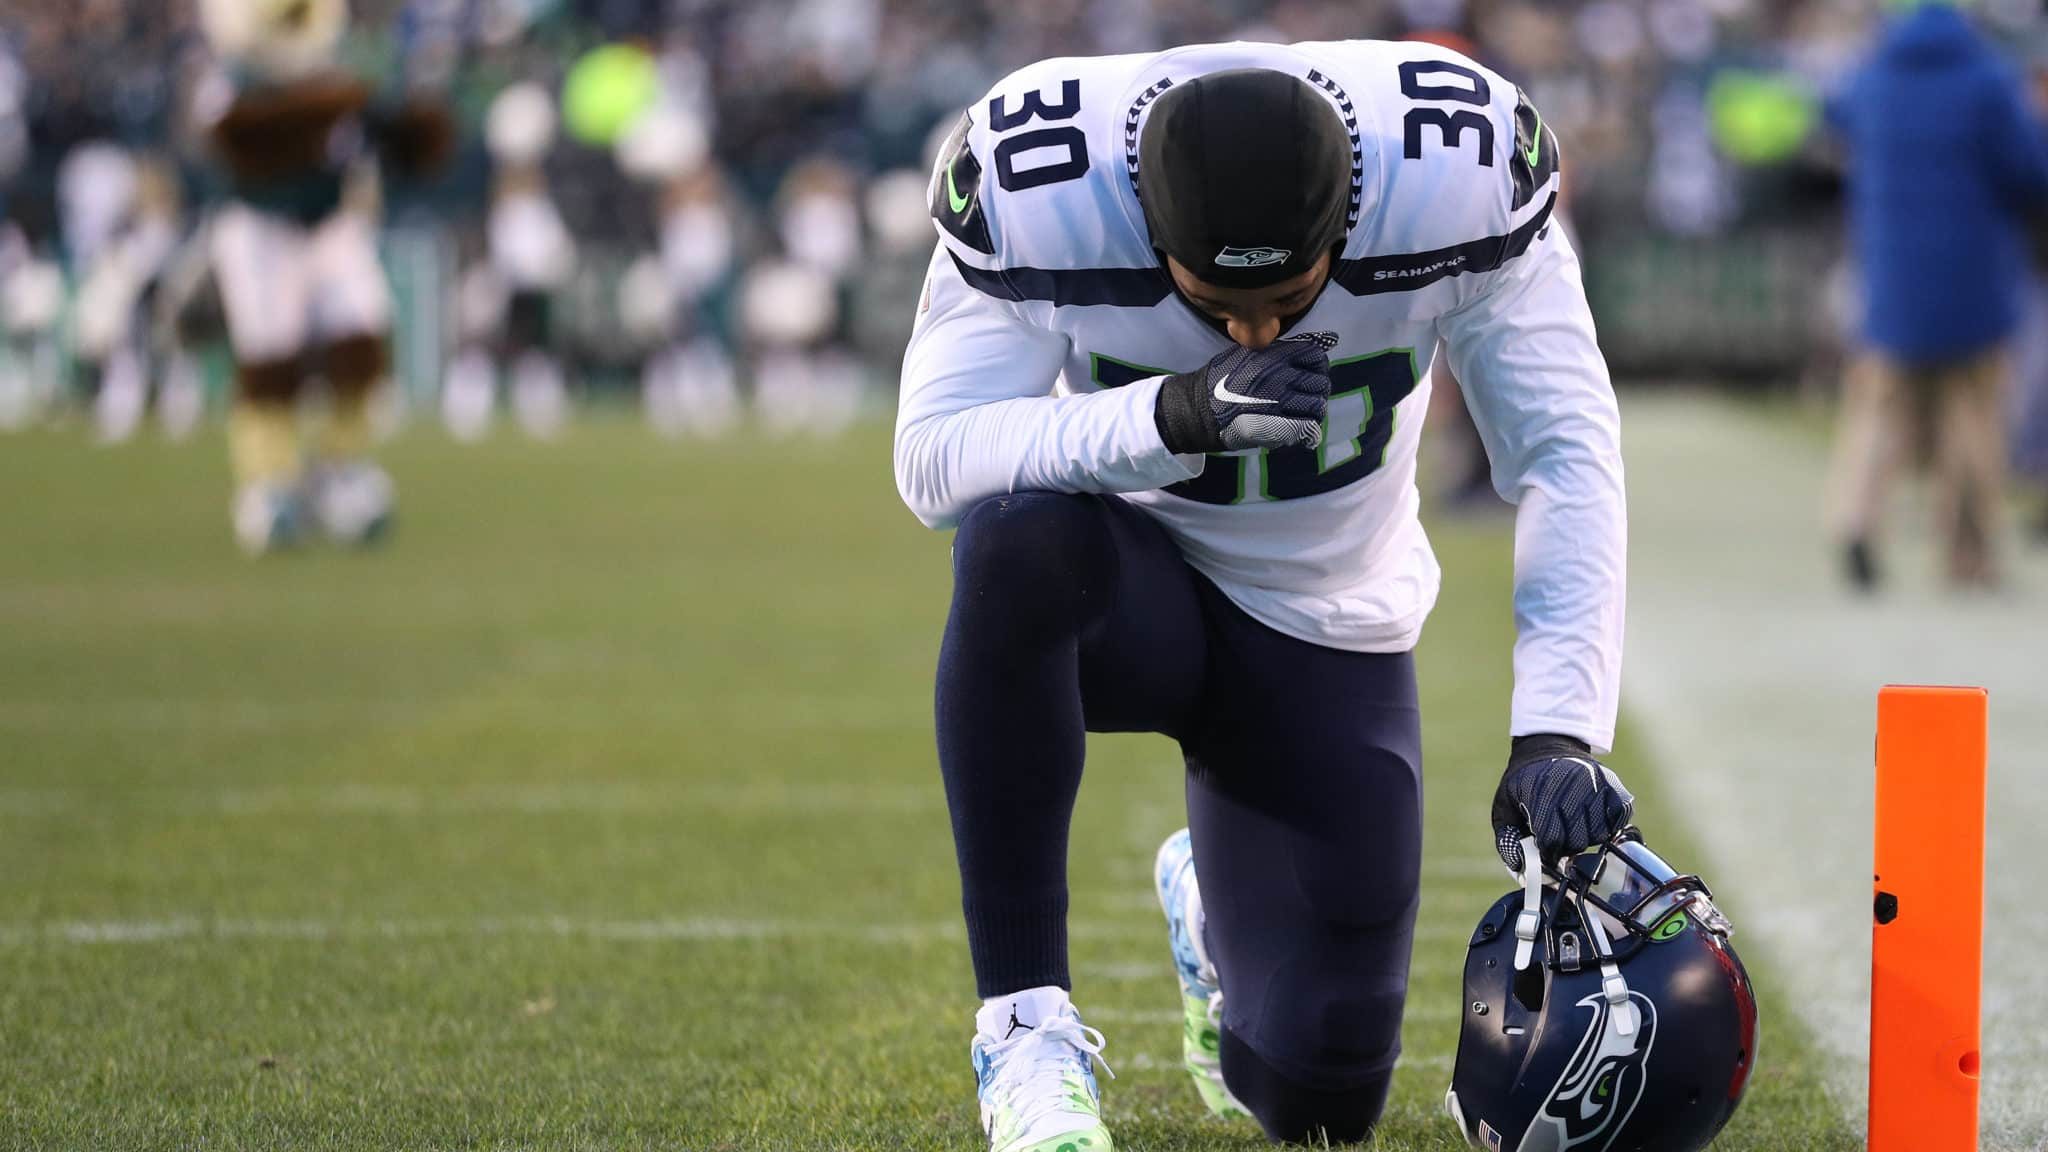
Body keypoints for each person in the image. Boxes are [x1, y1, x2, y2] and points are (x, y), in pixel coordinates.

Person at [894, 39, 1631, 1150]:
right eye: (1216, 304)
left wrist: (1557, 732)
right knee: (1012, 546)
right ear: (1146, 233)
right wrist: (1166, 417)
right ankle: (1025, 1026)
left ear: (1345, 232)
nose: (1253, 334)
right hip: (1123, 588)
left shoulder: (1454, 173)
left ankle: (1209, 908)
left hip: (1323, 616)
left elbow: (1562, 455)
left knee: (1318, 1099)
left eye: (1288, 300)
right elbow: (931, 461)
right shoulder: (1041, 179)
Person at [194, 0, 449, 553]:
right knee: (269, 362)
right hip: (262, 228)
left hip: (331, 225)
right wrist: (337, 103)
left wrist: (410, 129)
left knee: (362, 342)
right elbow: (241, 141)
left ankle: (340, 466)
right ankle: (269, 481)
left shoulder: (342, 83)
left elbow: (400, 145)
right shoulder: (234, 81)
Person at [1824, 0, 2048, 590]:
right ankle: (1968, 555)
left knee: (1878, 412)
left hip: (1891, 279)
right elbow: (2032, 169)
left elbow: (1831, 119)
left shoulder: (1874, 73)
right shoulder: (1988, 78)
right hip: (1973, 284)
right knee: (1972, 421)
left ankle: (1857, 524)